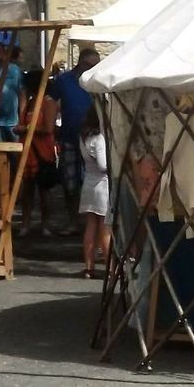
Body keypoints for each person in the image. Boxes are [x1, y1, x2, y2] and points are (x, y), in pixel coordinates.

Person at [54, 47, 102, 235]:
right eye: (90, 65)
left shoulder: (98, 80)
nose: (93, 69)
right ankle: (73, 221)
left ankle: (91, 223)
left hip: (95, 138)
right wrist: (51, 129)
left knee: (94, 183)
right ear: (80, 63)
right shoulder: (64, 81)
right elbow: (52, 102)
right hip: (70, 137)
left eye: (97, 65)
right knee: (70, 182)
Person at [19, 71, 63, 236]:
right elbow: (20, 121)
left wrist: (27, 129)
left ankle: (45, 225)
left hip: (42, 151)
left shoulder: (48, 103)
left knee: (44, 189)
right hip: (28, 150)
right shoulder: (29, 104)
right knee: (27, 189)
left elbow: (48, 128)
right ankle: (25, 225)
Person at [78, 101, 111, 278]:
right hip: (101, 184)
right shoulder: (99, 138)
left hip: (88, 182)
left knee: (91, 226)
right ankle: (110, 267)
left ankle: (89, 266)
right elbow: (103, 165)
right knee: (105, 228)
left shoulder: (83, 137)